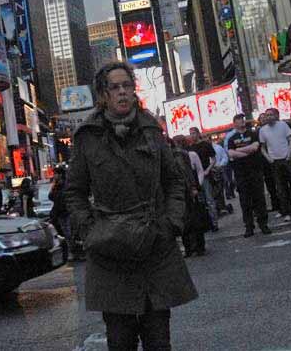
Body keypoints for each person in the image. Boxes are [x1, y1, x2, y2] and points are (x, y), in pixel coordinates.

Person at [66, 61, 197, 350]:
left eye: (127, 86)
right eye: (115, 87)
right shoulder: (88, 137)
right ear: (103, 95)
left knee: (159, 340)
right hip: (110, 250)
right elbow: (74, 193)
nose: (123, 92)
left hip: (155, 246)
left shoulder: (151, 129)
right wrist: (90, 231)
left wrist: (171, 223)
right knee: (120, 341)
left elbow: (174, 181)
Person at [227, 113, 271, 237]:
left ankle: (263, 224)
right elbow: (231, 153)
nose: (241, 121)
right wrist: (247, 151)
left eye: (242, 119)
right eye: (238, 120)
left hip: (255, 171)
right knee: (245, 201)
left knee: (259, 199)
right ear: (234, 123)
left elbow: (255, 147)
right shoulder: (231, 139)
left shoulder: (253, 134)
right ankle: (249, 226)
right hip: (241, 174)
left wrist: (238, 150)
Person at [172, 136, 208, 258]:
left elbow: (195, 171)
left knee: (193, 219)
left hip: (188, 190)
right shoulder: (178, 155)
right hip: (183, 190)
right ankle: (192, 247)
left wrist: (195, 187)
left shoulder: (188, 154)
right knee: (187, 220)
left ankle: (196, 247)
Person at [187, 127, 218, 232]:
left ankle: (214, 222)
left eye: (194, 133)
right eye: (190, 133)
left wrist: (208, 170)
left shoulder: (205, 145)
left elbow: (213, 159)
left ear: (198, 133)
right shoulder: (190, 148)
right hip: (195, 177)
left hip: (205, 174)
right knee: (201, 201)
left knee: (209, 200)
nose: (192, 135)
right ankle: (206, 222)